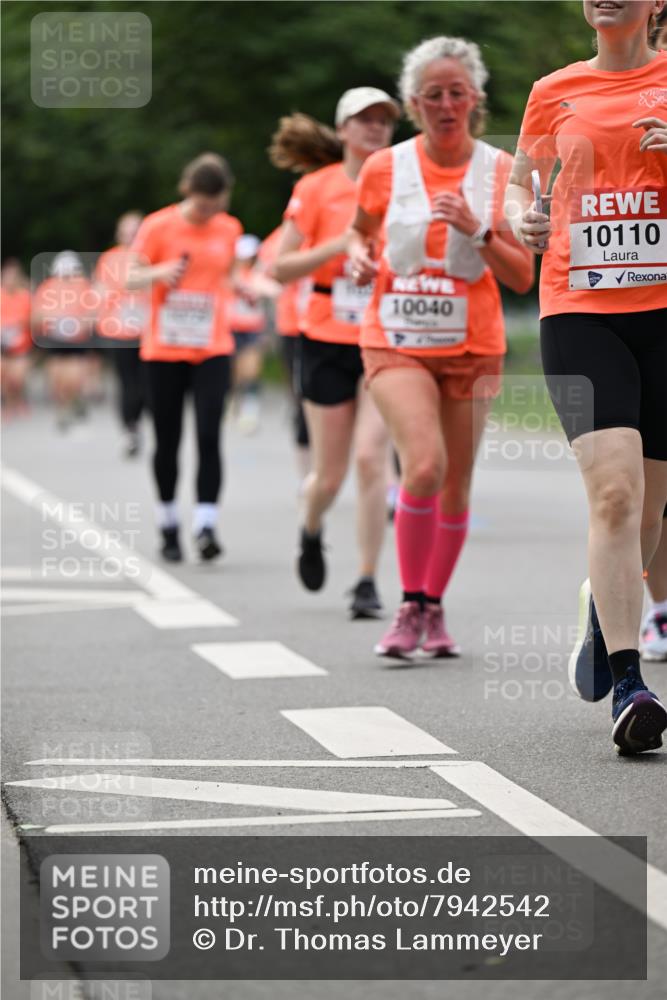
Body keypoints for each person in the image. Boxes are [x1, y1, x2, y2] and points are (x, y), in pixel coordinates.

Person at [506, 0, 667, 753]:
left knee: (647, 518)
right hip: (578, 306)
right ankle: (630, 684)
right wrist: (523, 220)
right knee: (613, 493)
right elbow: (519, 187)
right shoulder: (554, 89)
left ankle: (602, 609)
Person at [348, 37, 534, 658]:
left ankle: (433, 604)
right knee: (422, 466)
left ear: (475, 99)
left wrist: (476, 229)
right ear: (413, 103)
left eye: (457, 93)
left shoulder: (499, 171)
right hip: (395, 339)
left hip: (472, 345)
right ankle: (409, 603)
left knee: (456, 484)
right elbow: (360, 237)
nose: (446, 104)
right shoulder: (384, 168)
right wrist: (354, 258)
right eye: (434, 95)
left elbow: (521, 276)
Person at [272, 93, 399, 619]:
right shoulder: (315, 187)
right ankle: (311, 527)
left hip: (384, 333)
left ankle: (367, 580)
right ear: (343, 129)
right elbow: (281, 268)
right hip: (323, 336)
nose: (374, 129)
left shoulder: (402, 180)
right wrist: (340, 246)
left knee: (372, 460)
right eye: (364, 121)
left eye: (383, 121)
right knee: (329, 476)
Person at [127, 152, 241, 562]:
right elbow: (129, 275)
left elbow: (227, 274)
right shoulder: (158, 225)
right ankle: (168, 522)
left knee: (210, 435)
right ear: (186, 192)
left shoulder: (229, 228)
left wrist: (242, 287)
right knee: (168, 439)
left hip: (212, 346)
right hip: (164, 348)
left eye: (214, 206)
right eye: (199, 205)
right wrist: (160, 273)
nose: (206, 213)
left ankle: (206, 524)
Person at [94, 212, 150, 457]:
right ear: (119, 233)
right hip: (119, 329)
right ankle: (130, 428)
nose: (131, 234)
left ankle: (141, 421)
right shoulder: (110, 258)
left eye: (136, 229)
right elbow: (100, 289)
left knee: (149, 383)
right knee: (128, 382)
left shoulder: (151, 254)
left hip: (149, 330)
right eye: (126, 230)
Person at [259, 225, 311, 486]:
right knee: (303, 398)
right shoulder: (281, 237)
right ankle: (306, 475)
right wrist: (273, 289)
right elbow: (260, 275)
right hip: (294, 327)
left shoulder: (346, 224)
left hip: (342, 329)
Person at [32, 251, 95, 431]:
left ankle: (73, 401)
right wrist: (54, 318)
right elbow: (37, 314)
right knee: (57, 377)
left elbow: (92, 311)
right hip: (55, 338)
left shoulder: (83, 286)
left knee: (74, 378)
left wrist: (82, 323)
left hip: (77, 340)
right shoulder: (48, 287)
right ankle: (63, 408)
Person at [228, 233, 280, 435]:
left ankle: (249, 410)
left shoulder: (257, 276)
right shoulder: (229, 276)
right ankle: (232, 400)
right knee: (234, 373)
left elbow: (274, 291)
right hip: (230, 329)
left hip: (251, 330)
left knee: (251, 371)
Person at [0, 259, 32, 417]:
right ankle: (8, 404)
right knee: (3, 376)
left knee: (17, 378)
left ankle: (19, 399)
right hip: (2, 346)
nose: (10, 280)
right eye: (7, 277)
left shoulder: (25, 296)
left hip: (21, 346)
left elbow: (34, 318)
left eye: (13, 277)